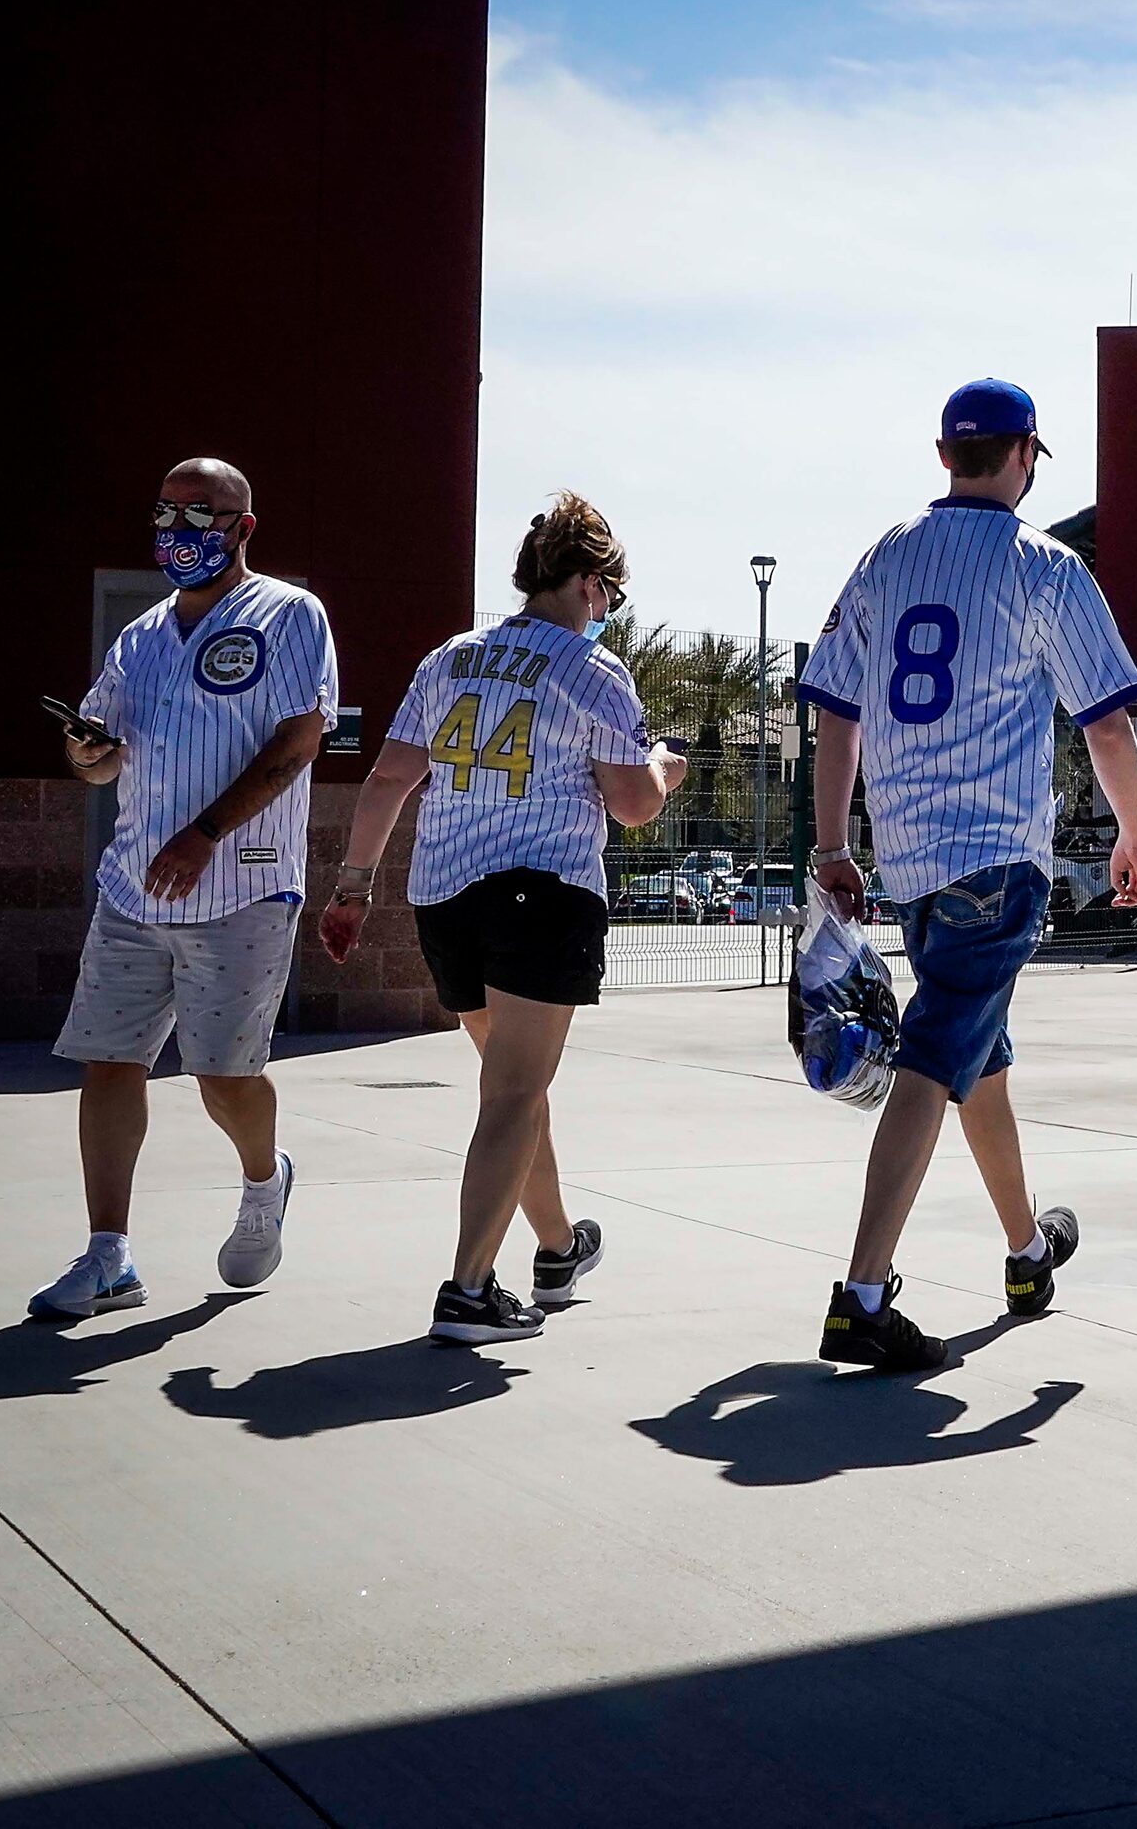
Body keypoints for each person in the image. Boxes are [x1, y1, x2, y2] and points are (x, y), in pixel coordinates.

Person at [798, 377, 1137, 1370]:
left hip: (906, 859)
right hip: (996, 855)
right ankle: (862, 1294)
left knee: (975, 1059)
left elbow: (834, 708)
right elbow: (1109, 721)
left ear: (945, 455)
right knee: (932, 1055)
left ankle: (1025, 1252)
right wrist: (1133, 837)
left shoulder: (885, 556)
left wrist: (832, 847)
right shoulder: (1045, 566)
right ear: (1025, 453)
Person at [319, 494, 686, 1343]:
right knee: (515, 1093)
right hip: (542, 890)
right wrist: (664, 766)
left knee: (511, 1090)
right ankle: (469, 1289)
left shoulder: (449, 658)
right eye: (610, 596)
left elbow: (386, 780)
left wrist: (352, 886)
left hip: (444, 894)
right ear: (592, 585)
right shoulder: (594, 671)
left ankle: (556, 1247)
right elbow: (631, 806)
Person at [33, 458, 337, 1320]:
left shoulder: (288, 615)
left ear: (242, 527)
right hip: (133, 889)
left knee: (220, 1075)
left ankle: (262, 1178)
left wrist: (206, 834)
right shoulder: (142, 635)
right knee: (110, 1060)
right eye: (164, 513)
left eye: (196, 515)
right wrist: (87, 756)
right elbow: (102, 754)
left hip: (240, 887)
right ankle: (108, 1257)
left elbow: (300, 739)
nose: (176, 531)